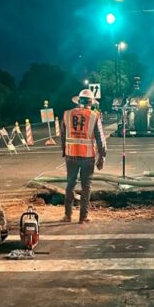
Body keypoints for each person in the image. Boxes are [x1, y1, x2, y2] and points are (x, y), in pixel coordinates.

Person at [61, 88, 106, 223]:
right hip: (87, 156)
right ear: (90, 102)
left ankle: (67, 215)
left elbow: (63, 136)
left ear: (78, 101)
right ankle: (83, 217)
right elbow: (100, 138)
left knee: (70, 184)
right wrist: (102, 156)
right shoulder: (94, 115)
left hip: (71, 155)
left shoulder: (67, 114)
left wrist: (64, 151)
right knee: (86, 186)